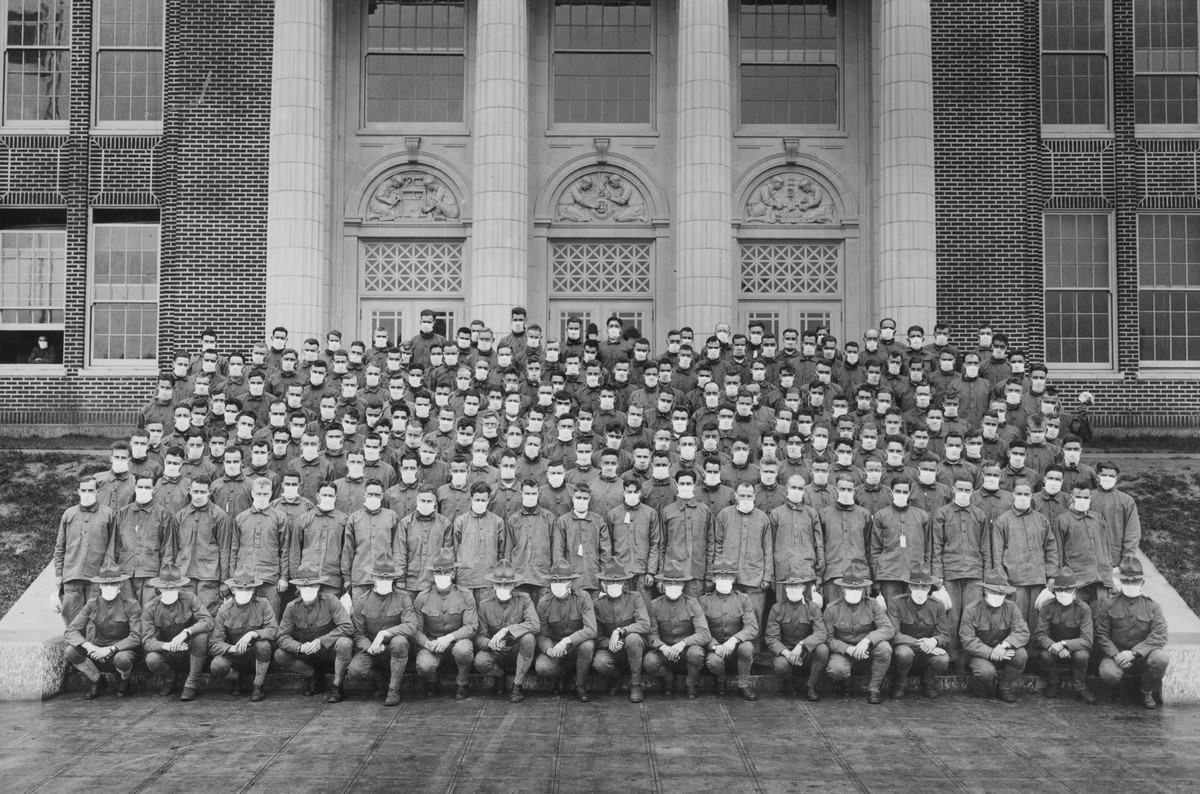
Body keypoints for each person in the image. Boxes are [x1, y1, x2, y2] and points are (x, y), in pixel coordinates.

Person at [1096, 555, 1169, 709]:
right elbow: (1101, 635)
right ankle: (1117, 687)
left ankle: (1146, 690)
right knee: (1109, 673)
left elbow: (1159, 636)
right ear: (1121, 581)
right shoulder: (1108, 604)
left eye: (1134, 581)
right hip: (1116, 655)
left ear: (1142, 582)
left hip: (1142, 657)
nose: (1130, 584)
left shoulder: (1153, 606)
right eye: (1126, 581)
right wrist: (1116, 655)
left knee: (1161, 658)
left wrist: (1134, 653)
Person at [274, 565, 354, 702]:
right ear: (298, 588)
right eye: (304, 587)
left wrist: (321, 641)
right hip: (306, 653)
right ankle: (313, 675)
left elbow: (347, 627)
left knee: (345, 643)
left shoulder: (331, 601)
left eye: (312, 586)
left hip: (329, 650)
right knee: (280, 655)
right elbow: (281, 636)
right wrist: (299, 647)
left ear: (318, 587)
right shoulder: (292, 607)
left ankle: (338, 686)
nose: (308, 589)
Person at [347, 554, 419, 706]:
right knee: (354, 671)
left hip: (396, 648)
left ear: (393, 579)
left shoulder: (403, 597)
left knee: (399, 642)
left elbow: (411, 625)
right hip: (372, 649)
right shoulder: (362, 601)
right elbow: (358, 633)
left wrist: (385, 633)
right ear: (373, 577)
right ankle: (380, 678)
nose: (384, 582)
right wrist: (370, 647)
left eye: (388, 578)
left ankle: (394, 690)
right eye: (380, 578)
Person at [822, 558, 894, 704]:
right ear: (842, 589)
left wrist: (867, 641)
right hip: (844, 651)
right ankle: (845, 683)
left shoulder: (872, 605)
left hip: (867, 650)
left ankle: (874, 689)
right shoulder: (832, 609)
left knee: (885, 648)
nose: (854, 591)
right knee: (837, 669)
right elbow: (828, 639)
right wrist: (848, 649)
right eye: (850, 588)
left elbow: (888, 628)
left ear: (864, 589)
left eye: (858, 588)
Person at [63, 567, 141, 699]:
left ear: (120, 585)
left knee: (122, 659)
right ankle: (97, 681)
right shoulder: (92, 604)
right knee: (71, 651)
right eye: (105, 584)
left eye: (113, 584)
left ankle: (125, 679)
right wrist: (90, 647)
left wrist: (111, 649)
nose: (109, 587)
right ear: (100, 586)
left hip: (121, 651)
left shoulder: (131, 605)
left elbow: (136, 636)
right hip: (97, 650)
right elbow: (71, 630)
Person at [140, 563, 213, 701]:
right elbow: (147, 641)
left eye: (173, 588)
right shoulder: (150, 608)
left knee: (201, 637)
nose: (169, 592)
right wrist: (167, 645)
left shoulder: (190, 598)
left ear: (179, 587)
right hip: (168, 654)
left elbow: (207, 621)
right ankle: (169, 679)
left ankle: (191, 683)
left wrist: (186, 632)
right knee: (152, 659)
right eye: (165, 588)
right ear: (158, 588)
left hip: (190, 652)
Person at [412, 548, 478, 700]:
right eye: (438, 573)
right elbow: (416, 630)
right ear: (433, 574)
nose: (442, 576)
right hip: (433, 644)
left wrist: (449, 638)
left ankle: (462, 683)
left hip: (456, 642)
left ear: (453, 574)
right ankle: (432, 681)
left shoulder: (465, 595)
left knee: (464, 649)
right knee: (424, 665)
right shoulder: (422, 597)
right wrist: (428, 644)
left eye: (446, 572)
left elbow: (471, 626)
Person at [472, 558, 540, 703]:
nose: (503, 587)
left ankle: (517, 685)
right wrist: (490, 643)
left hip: (516, 649)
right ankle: (499, 675)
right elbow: (479, 636)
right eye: (499, 584)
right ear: (493, 585)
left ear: (514, 585)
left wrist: (507, 630)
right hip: (496, 651)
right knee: (480, 662)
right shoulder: (484, 605)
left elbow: (534, 624)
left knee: (529, 639)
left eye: (507, 584)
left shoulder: (524, 599)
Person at [642, 559, 711, 699]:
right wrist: (663, 647)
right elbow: (651, 634)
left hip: (686, 651)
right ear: (663, 585)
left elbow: (704, 634)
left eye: (677, 583)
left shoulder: (692, 603)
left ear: (683, 585)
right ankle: (668, 678)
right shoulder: (655, 605)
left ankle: (691, 684)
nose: (673, 586)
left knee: (696, 654)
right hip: (664, 651)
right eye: (669, 583)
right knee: (649, 662)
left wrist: (683, 643)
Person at [959, 568, 1029, 703]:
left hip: (1004, 652)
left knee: (1021, 655)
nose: (997, 595)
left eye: (1000, 593)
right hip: (979, 655)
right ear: (985, 591)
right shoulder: (971, 610)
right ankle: (980, 685)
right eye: (993, 591)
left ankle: (1005, 686)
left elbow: (1022, 631)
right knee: (986, 673)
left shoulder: (1011, 607)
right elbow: (967, 640)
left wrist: (1004, 645)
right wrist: (991, 652)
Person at [209, 567, 279, 702]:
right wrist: (231, 648)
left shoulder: (263, 604)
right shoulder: (224, 611)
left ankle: (258, 686)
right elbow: (214, 643)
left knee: (263, 645)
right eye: (240, 588)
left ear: (253, 590)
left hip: (257, 655)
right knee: (217, 666)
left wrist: (253, 634)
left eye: (248, 589)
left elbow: (273, 630)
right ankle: (236, 678)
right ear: (233, 590)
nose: (244, 592)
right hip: (235, 656)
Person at [55, 474, 117, 624]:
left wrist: (106, 573)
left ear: (97, 491)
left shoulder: (108, 514)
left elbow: (112, 546)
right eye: (84, 490)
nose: (87, 493)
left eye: (90, 490)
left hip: (95, 575)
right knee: (71, 618)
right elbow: (60, 547)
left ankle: (92, 646)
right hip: (72, 575)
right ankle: (74, 646)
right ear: (78, 491)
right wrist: (58, 574)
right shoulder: (69, 514)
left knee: (94, 618)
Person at [534, 559, 598, 702]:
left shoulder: (583, 598)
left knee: (587, 646)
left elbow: (591, 630)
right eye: (554, 582)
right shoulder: (544, 602)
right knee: (542, 666)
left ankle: (580, 685)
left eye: (562, 581)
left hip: (577, 644)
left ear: (570, 582)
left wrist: (568, 640)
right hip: (556, 645)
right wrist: (549, 649)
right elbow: (542, 634)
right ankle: (561, 676)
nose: (557, 585)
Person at [887, 562, 952, 699]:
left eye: (925, 586)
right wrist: (921, 643)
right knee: (903, 653)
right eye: (916, 585)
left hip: (928, 653)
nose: (920, 590)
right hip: (906, 650)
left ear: (929, 587)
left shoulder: (938, 605)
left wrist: (934, 640)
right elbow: (894, 634)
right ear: (910, 586)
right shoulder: (897, 603)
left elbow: (945, 635)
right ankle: (901, 682)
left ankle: (929, 681)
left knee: (942, 659)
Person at [764, 564, 828, 701]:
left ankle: (811, 686)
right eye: (790, 586)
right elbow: (771, 638)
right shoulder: (777, 608)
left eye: (797, 586)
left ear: (804, 588)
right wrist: (786, 653)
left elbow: (821, 632)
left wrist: (802, 645)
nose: (793, 589)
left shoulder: (812, 608)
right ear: (785, 588)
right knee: (780, 665)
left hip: (806, 652)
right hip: (786, 651)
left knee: (822, 650)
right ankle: (788, 683)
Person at [699, 558, 760, 700]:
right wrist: (714, 646)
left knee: (747, 648)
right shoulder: (704, 601)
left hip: (736, 649)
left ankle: (743, 685)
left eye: (728, 577)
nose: (724, 580)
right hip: (716, 649)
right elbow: (701, 630)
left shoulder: (743, 599)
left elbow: (752, 627)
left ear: (733, 579)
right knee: (713, 662)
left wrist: (735, 639)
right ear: (713, 579)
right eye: (720, 577)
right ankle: (721, 680)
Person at [590, 560, 650, 702]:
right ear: (604, 584)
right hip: (611, 649)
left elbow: (645, 624)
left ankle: (636, 685)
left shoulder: (635, 598)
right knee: (600, 662)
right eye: (610, 582)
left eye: (618, 582)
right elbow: (596, 635)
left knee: (633, 638)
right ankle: (616, 676)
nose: (614, 586)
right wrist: (609, 643)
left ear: (624, 583)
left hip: (633, 647)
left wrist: (620, 632)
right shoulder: (598, 604)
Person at [1034, 567, 1095, 704]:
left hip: (1074, 648)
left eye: (1067, 590)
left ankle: (1080, 686)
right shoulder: (1047, 606)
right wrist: (1053, 646)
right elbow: (1040, 634)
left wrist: (1064, 644)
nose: (1063, 593)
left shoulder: (1083, 609)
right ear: (1055, 591)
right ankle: (1053, 681)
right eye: (1060, 590)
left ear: (1074, 591)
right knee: (1045, 655)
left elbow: (1087, 640)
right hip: (1054, 648)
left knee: (1082, 656)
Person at [113, 475, 175, 604]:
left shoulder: (163, 514)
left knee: (148, 612)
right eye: (140, 487)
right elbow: (114, 546)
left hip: (150, 573)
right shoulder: (123, 513)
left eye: (147, 487)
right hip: (126, 572)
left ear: (153, 490)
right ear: (135, 488)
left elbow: (167, 548)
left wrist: (163, 578)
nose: (143, 490)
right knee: (127, 612)